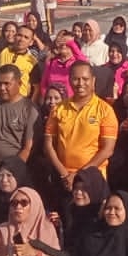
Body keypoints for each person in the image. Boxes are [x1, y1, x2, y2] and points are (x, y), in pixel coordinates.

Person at [0, 65, 38, 223]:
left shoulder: (29, 108)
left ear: (19, 83)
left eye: (7, 84)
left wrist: (12, 172)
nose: (2, 88)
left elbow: (28, 146)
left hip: (17, 173)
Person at [44, 61, 118, 191]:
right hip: (63, 178)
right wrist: (64, 173)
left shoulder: (105, 110)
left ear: (93, 80)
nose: (80, 83)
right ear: (69, 80)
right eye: (76, 79)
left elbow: (108, 149)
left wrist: (79, 175)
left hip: (93, 178)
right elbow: (48, 144)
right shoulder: (58, 109)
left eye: (85, 79)